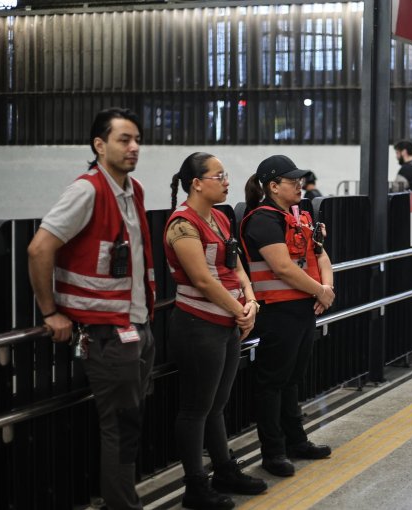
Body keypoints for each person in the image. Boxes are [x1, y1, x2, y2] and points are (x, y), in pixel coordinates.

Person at [27, 108, 156, 510]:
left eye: (137, 140)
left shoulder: (132, 190)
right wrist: (50, 312)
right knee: (121, 425)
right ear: (99, 145)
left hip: (136, 324)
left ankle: (123, 499)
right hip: (106, 331)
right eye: (124, 139)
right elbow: (39, 248)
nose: (134, 147)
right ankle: (122, 505)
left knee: (130, 422)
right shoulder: (87, 191)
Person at [165, 153, 267, 509]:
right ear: (196, 183)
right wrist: (240, 311)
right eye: (219, 176)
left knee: (216, 405)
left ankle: (224, 470)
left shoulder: (221, 218)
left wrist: (251, 302)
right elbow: (203, 280)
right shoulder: (182, 224)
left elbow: (237, 268)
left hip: (227, 324)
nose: (227, 182)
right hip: (198, 325)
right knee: (196, 408)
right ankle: (195, 485)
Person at [241, 155, 335, 478]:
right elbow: (281, 267)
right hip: (278, 312)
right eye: (292, 181)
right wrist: (319, 291)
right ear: (273, 186)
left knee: (292, 380)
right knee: (272, 383)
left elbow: (321, 255)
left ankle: (296, 442)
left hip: (303, 309)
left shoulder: (299, 217)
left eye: (300, 180)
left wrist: (327, 289)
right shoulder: (262, 220)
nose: (299, 186)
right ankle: (273, 453)